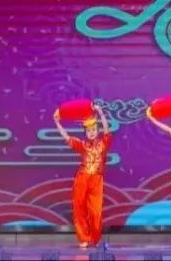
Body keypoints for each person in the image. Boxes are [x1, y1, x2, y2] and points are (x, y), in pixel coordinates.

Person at [54, 104, 112, 248]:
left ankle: (96, 238)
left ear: (97, 131)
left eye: (94, 130)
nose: (91, 133)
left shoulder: (104, 142)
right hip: (82, 178)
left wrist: (100, 113)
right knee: (79, 208)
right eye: (88, 131)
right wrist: (57, 122)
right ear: (85, 132)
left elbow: (106, 129)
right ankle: (84, 238)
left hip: (97, 180)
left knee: (96, 211)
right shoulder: (82, 145)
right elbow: (67, 137)